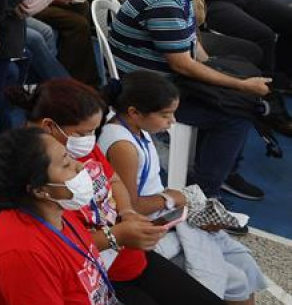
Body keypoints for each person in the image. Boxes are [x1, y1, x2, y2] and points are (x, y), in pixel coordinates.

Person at [19, 79, 228, 304]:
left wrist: (127, 211)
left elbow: (113, 178)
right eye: (84, 133)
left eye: (93, 131)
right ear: (49, 126)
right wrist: (115, 235)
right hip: (93, 277)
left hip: (127, 256)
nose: (81, 166)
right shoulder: (31, 174)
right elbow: (56, 243)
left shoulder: (73, 145)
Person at [109, 0, 276, 197]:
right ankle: (204, 193)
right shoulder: (164, 2)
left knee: (236, 87)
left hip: (157, 77)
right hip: (148, 91)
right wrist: (240, 85)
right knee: (237, 112)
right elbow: (182, 65)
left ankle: (213, 167)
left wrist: (219, 71)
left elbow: (192, 44)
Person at [103, 72, 266, 302]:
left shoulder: (138, 128)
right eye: (165, 115)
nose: (172, 121)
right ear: (134, 112)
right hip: (150, 231)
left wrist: (183, 204)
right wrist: (172, 199)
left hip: (166, 215)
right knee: (235, 281)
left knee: (245, 264)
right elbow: (131, 208)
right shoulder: (122, 146)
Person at [0, 127, 118, 305]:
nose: (79, 166)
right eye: (66, 164)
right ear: (39, 190)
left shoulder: (57, 209)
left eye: (69, 156)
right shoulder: (23, 255)